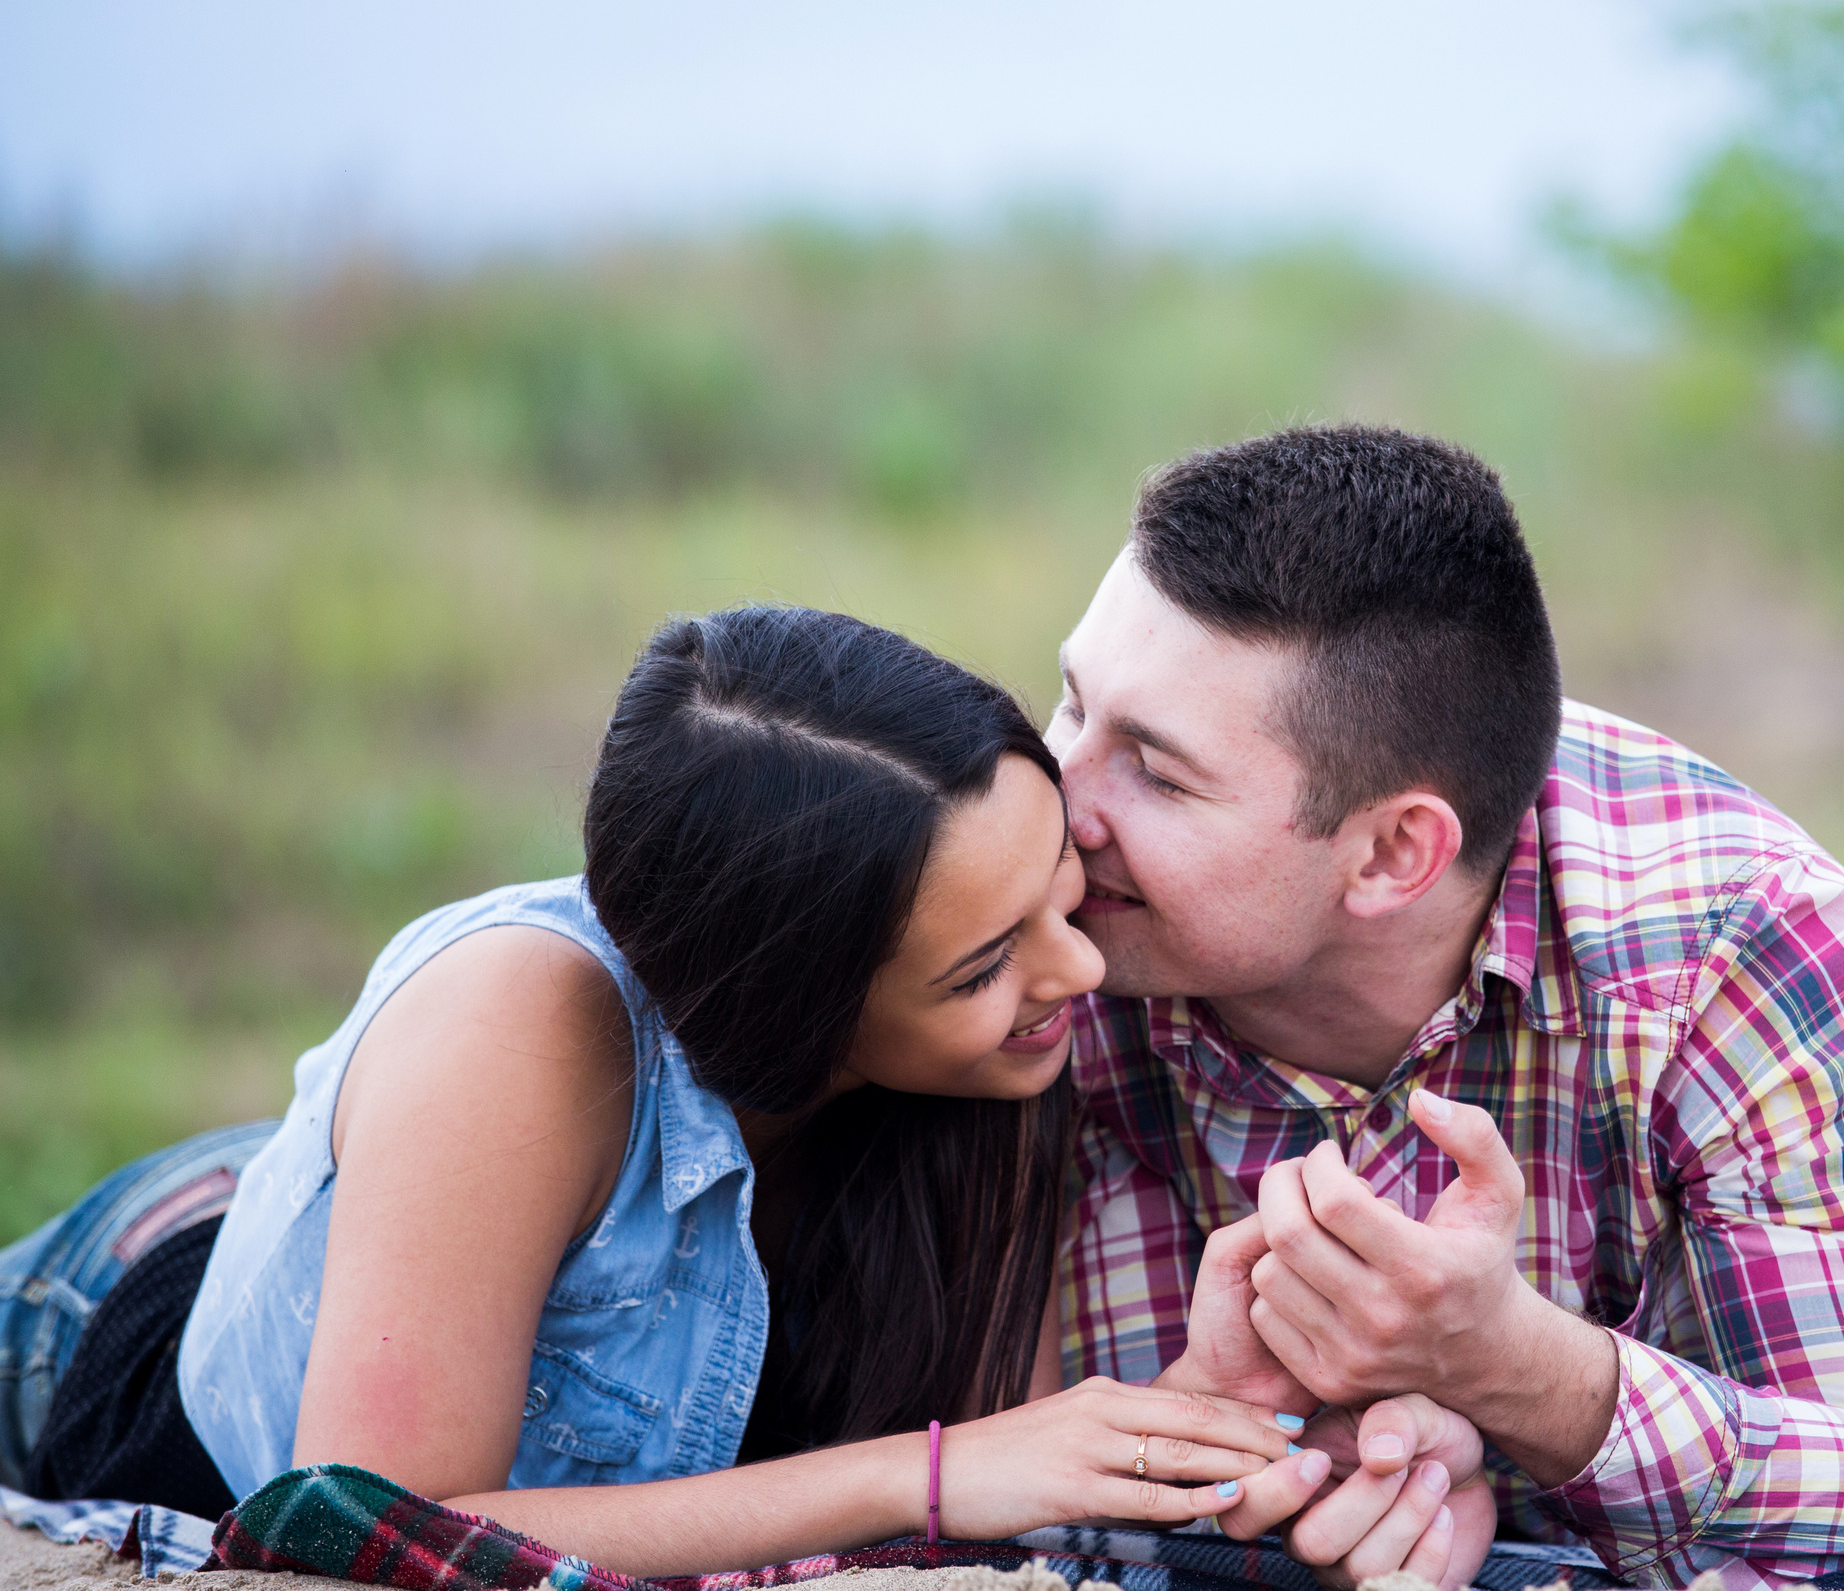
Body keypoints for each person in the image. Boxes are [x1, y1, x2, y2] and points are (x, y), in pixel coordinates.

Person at [0, 606, 1312, 1579]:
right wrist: (932, 1472)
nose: (1079, 964)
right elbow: (355, 1520)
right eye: (985, 961)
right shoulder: (518, 1030)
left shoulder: (1007, 1056)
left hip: (436, 1231)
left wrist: (1189, 1419)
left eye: (1057, 886)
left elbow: (1014, 1462)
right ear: (797, 1003)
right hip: (147, 1319)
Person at [1047, 426, 1844, 1591]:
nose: (1060, 796)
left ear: (1392, 854)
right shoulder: (1007, 903)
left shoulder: (1730, 941)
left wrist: (1513, 1369)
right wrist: (1260, 1463)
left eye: (1156, 773)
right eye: (1070, 703)